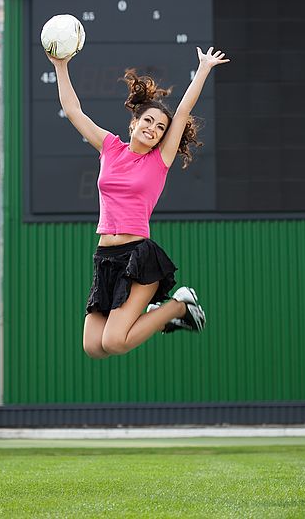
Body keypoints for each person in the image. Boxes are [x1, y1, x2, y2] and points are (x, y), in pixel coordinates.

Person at [46, 46, 230, 358]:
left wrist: (203, 69)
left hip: (138, 256)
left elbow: (183, 111)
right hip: (105, 256)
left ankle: (179, 305)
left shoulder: (159, 161)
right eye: (148, 121)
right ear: (134, 123)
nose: (153, 129)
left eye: (160, 128)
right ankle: (165, 313)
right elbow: (74, 111)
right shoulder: (110, 148)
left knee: (115, 342)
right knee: (94, 347)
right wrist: (60, 65)